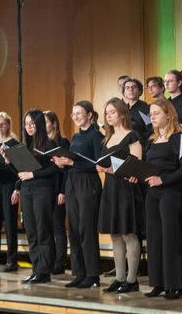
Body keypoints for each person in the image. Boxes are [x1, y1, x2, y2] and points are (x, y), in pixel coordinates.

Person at [136, 98, 182, 300]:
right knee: (155, 238)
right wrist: (138, 175)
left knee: (171, 237)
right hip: (153, 193)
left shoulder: (178, 138)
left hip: (171, 192)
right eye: (151, 113)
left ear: (169, 115)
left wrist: (163, 179)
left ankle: (177, 284)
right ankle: (159, 282)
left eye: (156, 113)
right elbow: (150, 167)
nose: (152, 117)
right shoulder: (152, 139)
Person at [2, 109, 59, 284]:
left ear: (39, 124)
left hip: (42, 189)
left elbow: (55, 169)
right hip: (27, 190)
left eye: (32, 124)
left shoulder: (49, 144)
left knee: (43, 230)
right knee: (31, 231)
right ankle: (36, 269)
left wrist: (34, 175)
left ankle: (44, 271)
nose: (29, 127)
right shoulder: (25, 146)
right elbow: (21, 172)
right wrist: (9, 162)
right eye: (26, 124)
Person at [52, 101, 104, 289]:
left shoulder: (96, 135)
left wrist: (72, 164)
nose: (75, 116)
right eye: (73, 113)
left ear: (90, 114)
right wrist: (63, 165)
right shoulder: (74, 136)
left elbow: (98, 164)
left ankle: (93, 274)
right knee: (73, 229)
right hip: (72, 183)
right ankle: (79, 272)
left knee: (86, 229)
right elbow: (72, 163)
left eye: (79, 113)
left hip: (88, 183)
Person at [97, 98, 144, 294]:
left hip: (126, 187)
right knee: (115, 234)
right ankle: (119, 278)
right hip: (110, 188)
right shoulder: (107, 138)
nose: (108, 116)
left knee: (128, 233)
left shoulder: (132, 136)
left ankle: (132, 280)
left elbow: (137, 163)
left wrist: (110, 170)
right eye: (107, 113)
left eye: (112, 112)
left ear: (123, 114)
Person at [0, 112, 19, 273]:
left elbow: (20, 170)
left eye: (3, 124)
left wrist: (16, 189)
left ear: (8, 125)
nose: (0, 127)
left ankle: (11, 260)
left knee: (10, 224)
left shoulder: (14, 143)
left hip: (9, 186)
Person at [43, 111, 68, 275]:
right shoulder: (41, 142)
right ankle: (49, 260)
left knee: (58, 227)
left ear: (53, 123)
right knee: (47, 227)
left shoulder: (63, 141)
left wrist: (62, 191)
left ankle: (60, 262)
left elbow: (66, 169)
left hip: (59, 188)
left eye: (45, 122)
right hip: (45, 189)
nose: (43, 126)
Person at [123, 78, 151, 144]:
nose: (131, 89)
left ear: (139, 91)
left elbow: (150, 130)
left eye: (134, 87)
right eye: (127, 88)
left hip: (141, 145)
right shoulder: (122, 110)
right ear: (124, 93)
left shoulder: (146, 109)